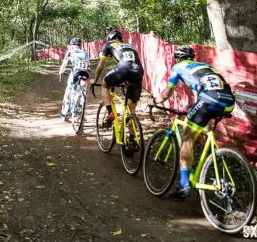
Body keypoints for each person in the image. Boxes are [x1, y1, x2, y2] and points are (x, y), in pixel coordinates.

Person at [152, 46, 236, 198]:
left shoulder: (178, 67)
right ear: (192, 58)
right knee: (203, 128)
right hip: (228, 101)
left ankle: (184, 186)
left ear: (177, 59)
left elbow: (168, 92)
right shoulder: (206, 66)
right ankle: (209, 161)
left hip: (209, 99)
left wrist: (155, 101)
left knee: (187, 138)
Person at [94, 30, 143, 125]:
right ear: (121, 39)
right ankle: (133, 139)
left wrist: (95, 80)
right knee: (131, 109)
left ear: (110, 38)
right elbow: (132, 63)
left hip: (123, 69)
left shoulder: (108, 44)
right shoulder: (130, 46)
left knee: (104, 86)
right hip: (138, 71)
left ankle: (110, 112)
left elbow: (100, 67)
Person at [58, 38, 90, 120]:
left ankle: (64, 112)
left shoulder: (70, 52)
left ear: (72, 45)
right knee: (83, 90)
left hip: (75, 73)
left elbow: (64, 64)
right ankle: (81, 111)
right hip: (86, 73)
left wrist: (61, 72)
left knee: (68, 90)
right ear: (79, 45)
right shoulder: (85, 53)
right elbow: (88, 66)